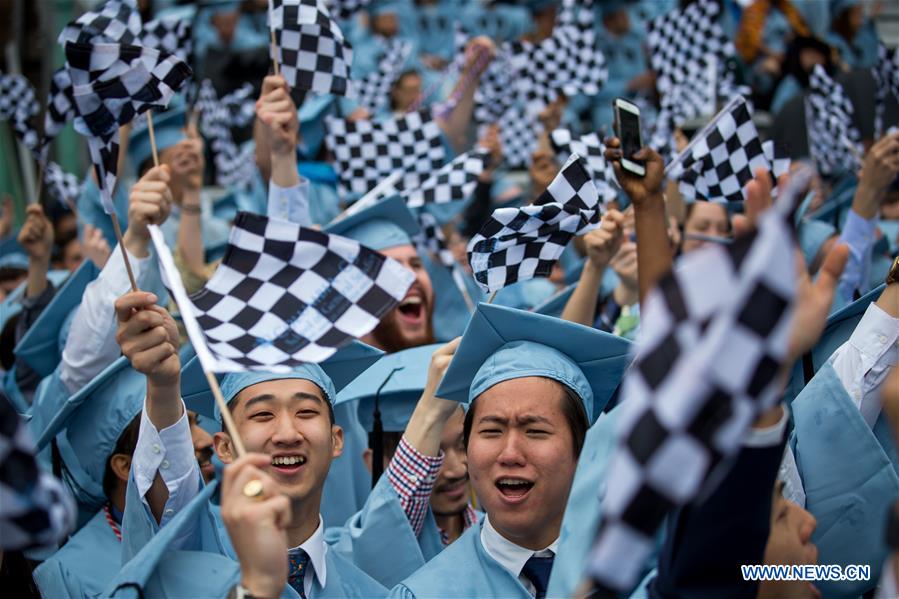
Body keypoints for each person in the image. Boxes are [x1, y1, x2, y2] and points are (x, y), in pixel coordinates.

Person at [115, 290, 387, 598]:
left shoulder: (369, 591)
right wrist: (163, 389)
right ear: (224, 447)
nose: (287, 433)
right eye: (262, 414)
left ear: (337, 440)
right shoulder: (199, 557)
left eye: (306, 411)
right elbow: (169, 506)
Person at [389, 301, 633, 598]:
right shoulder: (427, 593)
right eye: (492, 431)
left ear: (581, 448)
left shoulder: (629, 571)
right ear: (467, 449)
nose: (510, 454)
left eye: (535, 431)